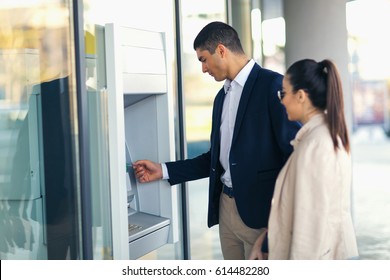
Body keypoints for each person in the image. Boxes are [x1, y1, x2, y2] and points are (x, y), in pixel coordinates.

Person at [133, 21, 301, 260]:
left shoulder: (272, 85)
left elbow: (294, 156)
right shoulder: (220, 98)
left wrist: (279, 221)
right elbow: (216, 159)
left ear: (221, 50)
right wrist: (163, 170)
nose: (203, 68)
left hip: (262, 218)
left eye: (203, 59)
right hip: (226, 211)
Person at [249, 59, 359, 260]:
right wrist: (265, 238)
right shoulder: (322, 136)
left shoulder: (315, 145)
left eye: (283, 93)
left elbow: (310, 225)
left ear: (300, 96)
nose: (281, 101)